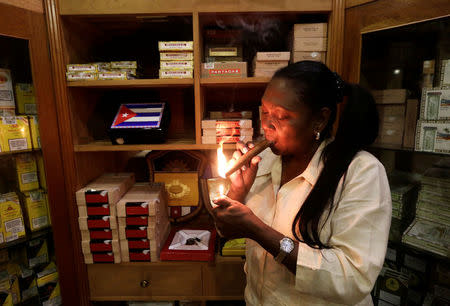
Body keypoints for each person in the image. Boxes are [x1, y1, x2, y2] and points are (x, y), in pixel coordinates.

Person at [211, 61, 391, 305]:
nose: (267, 125)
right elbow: (225, 230)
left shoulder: (361, 172)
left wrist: (259, 231)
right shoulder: (261, 161)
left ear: (319, 120)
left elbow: (352, 279)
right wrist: (237, 192)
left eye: (282, 116)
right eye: (264, 112)